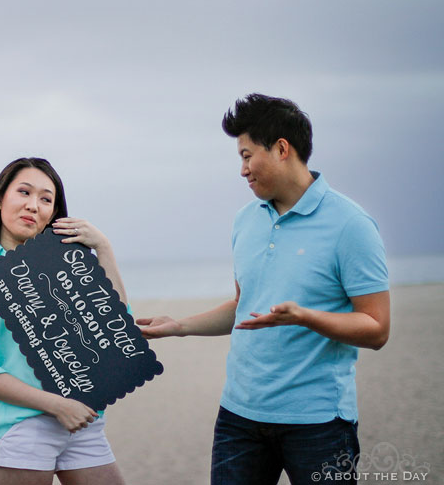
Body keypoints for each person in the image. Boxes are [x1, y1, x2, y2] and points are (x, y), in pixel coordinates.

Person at [137, 94, 390, 485]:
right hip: (238, 418)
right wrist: (179, 326)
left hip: (319, 423)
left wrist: (304, 317)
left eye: (246, 155)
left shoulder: (351, 225)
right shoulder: (245, 221)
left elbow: (376, 329)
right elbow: (245, 307)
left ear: (282, 149)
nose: (242, 170)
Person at [0, 157, 127, 485]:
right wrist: (58, 405)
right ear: (0, 199)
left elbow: (117, 325)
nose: (34, 205)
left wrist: (103, 247)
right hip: (23, 426)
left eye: (46, 199)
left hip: (83, 424)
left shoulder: (65, 268)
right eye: (24, 192)